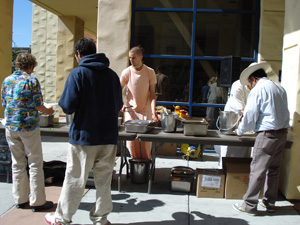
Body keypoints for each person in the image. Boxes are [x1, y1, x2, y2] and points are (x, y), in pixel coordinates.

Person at [44, 38, 123, 225]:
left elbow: (68, 106)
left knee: (75, 179)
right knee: (103, 181)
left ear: (78, 54)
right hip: (108, 137)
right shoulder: (112, 75)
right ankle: (101, 219)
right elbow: (118, 105)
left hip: (84, 137)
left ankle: (62, 218)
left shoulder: (78, 73)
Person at [232, 62, 290, 215]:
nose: (249, 87)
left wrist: (241, 130)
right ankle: (270, 202)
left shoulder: (258, 89)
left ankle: (249, 204)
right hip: (282, 133)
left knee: (258, 170)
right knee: (274, 170)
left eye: (249, 83)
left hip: (267, 134)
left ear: (253, 79)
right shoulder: (279, 88)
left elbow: (250, 114)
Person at [1, 53, 54, 212]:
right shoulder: (31, 80)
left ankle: (20, 198)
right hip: (28, 126)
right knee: (35, 163)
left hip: (10, 126)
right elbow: (39, 106)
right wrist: (49, 111)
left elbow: (5, 103)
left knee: (17, 163)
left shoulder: (7, 80)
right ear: (31, 66)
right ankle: (37, 201)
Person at [120, 46, 158, 159]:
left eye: (134, 58)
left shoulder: (150, 72)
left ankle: (145, 167)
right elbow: (117, 89)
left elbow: (152, 94)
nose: (131, 60)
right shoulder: (127, 72)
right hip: (131, 110)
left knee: (145, 143)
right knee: (131, 142)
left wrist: (153, 111)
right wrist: (121, 103)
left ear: (141, 57)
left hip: (145, 110)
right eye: (130, 58)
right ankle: (134, 166)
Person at [214, 79, 251, 168]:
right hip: (231, 119)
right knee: (227, 149)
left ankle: (239, 170)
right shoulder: (238, 85)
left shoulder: (255, 88)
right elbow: (240, 109)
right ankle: (224, 170)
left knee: (242, 155)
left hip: (242, 122)